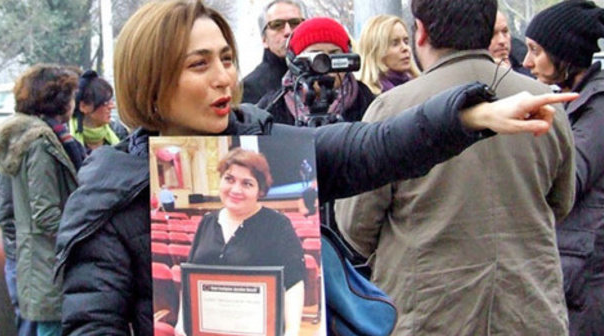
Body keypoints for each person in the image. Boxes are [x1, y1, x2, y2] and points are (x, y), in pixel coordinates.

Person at [53, 1, 576, 335]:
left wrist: (467, 114)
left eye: (226, 59)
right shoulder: (113, 193)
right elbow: (90, 323)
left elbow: (373, 146)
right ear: (150, 78)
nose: (224, 79)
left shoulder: (271, 148)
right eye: (199, 64)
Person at [335, 0, 576, 335]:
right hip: (529, 308)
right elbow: (561, 202)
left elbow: (355, 224)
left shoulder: (393, 109)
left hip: (429, 311)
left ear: (420, 31)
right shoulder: (541, 102)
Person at [523, 2, 604, 335]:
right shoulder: (575, 100)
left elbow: (571, 177)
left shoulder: (597, 108)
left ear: (566, 54)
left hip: (585, 275)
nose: (527, 62)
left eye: (535, 51)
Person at [0, 64, 80, 336]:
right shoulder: (41, 142)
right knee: (50, 329)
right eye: (72, 95)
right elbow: (46, 214)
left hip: (34, 260)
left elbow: (7, 210)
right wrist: (84, 230)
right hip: (48, 262)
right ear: (61, 100)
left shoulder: (21, 139)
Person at [187, 148, 305, 335]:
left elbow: (293, 283)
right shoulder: (207, 222)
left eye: (247, 183)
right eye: (229, 179)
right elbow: (190, 277)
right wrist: (181, 322)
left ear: (260, 190)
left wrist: (292, 331)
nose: (235, 190)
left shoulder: (278, 225)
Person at [257, 17, 375, 125]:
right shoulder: (271, 107)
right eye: (316, 56)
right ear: (294, 61)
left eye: (334, 55)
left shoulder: (368, 102)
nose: (325, 66)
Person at [0, 174, 37, 336]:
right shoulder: (10, 166)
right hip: (22, 257)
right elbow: (7, 218)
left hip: (24, 254)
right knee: (30, 317)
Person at [241, 0, 307, 104]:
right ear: (264, 39)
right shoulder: (249, 88)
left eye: (295, 23)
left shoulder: (324, 76)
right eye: (277, 25)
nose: (288, 32)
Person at [358, 14, 419, 94]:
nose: (405, 48)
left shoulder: (419, 87)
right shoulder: (365, 97)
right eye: (395, 43)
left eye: (406, 41)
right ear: (376, 51)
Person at [69, 70, 128, 152]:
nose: (112, 106)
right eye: (105, 102)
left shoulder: (120, 134)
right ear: (83, 106)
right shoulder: (66, 139)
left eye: (111, 101)